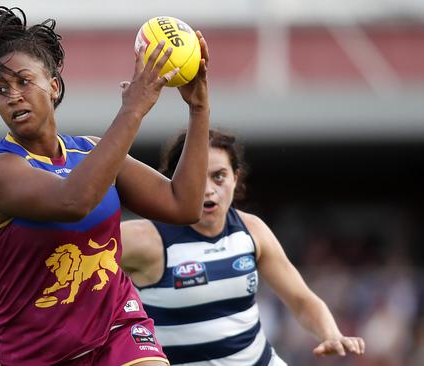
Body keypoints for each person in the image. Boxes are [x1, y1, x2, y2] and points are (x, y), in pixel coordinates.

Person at [0, 6, 211, 366]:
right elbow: (75, 201)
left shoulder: (92, 150)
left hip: (119, 330)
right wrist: (133, 110)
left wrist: (198, 109)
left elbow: (184, 205)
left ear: (53, 86)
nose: (13, 96)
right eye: (0, 89)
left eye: (24, 81)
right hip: (41, 355)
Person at [121, 130, 366, 365]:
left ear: (235, 177)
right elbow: (84, 249)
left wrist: (331, 334)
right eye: (196, 176)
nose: (208, 189)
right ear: (176, 180)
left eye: (218, 176)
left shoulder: (252, 230)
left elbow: (301, 300)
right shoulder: (145, 238)